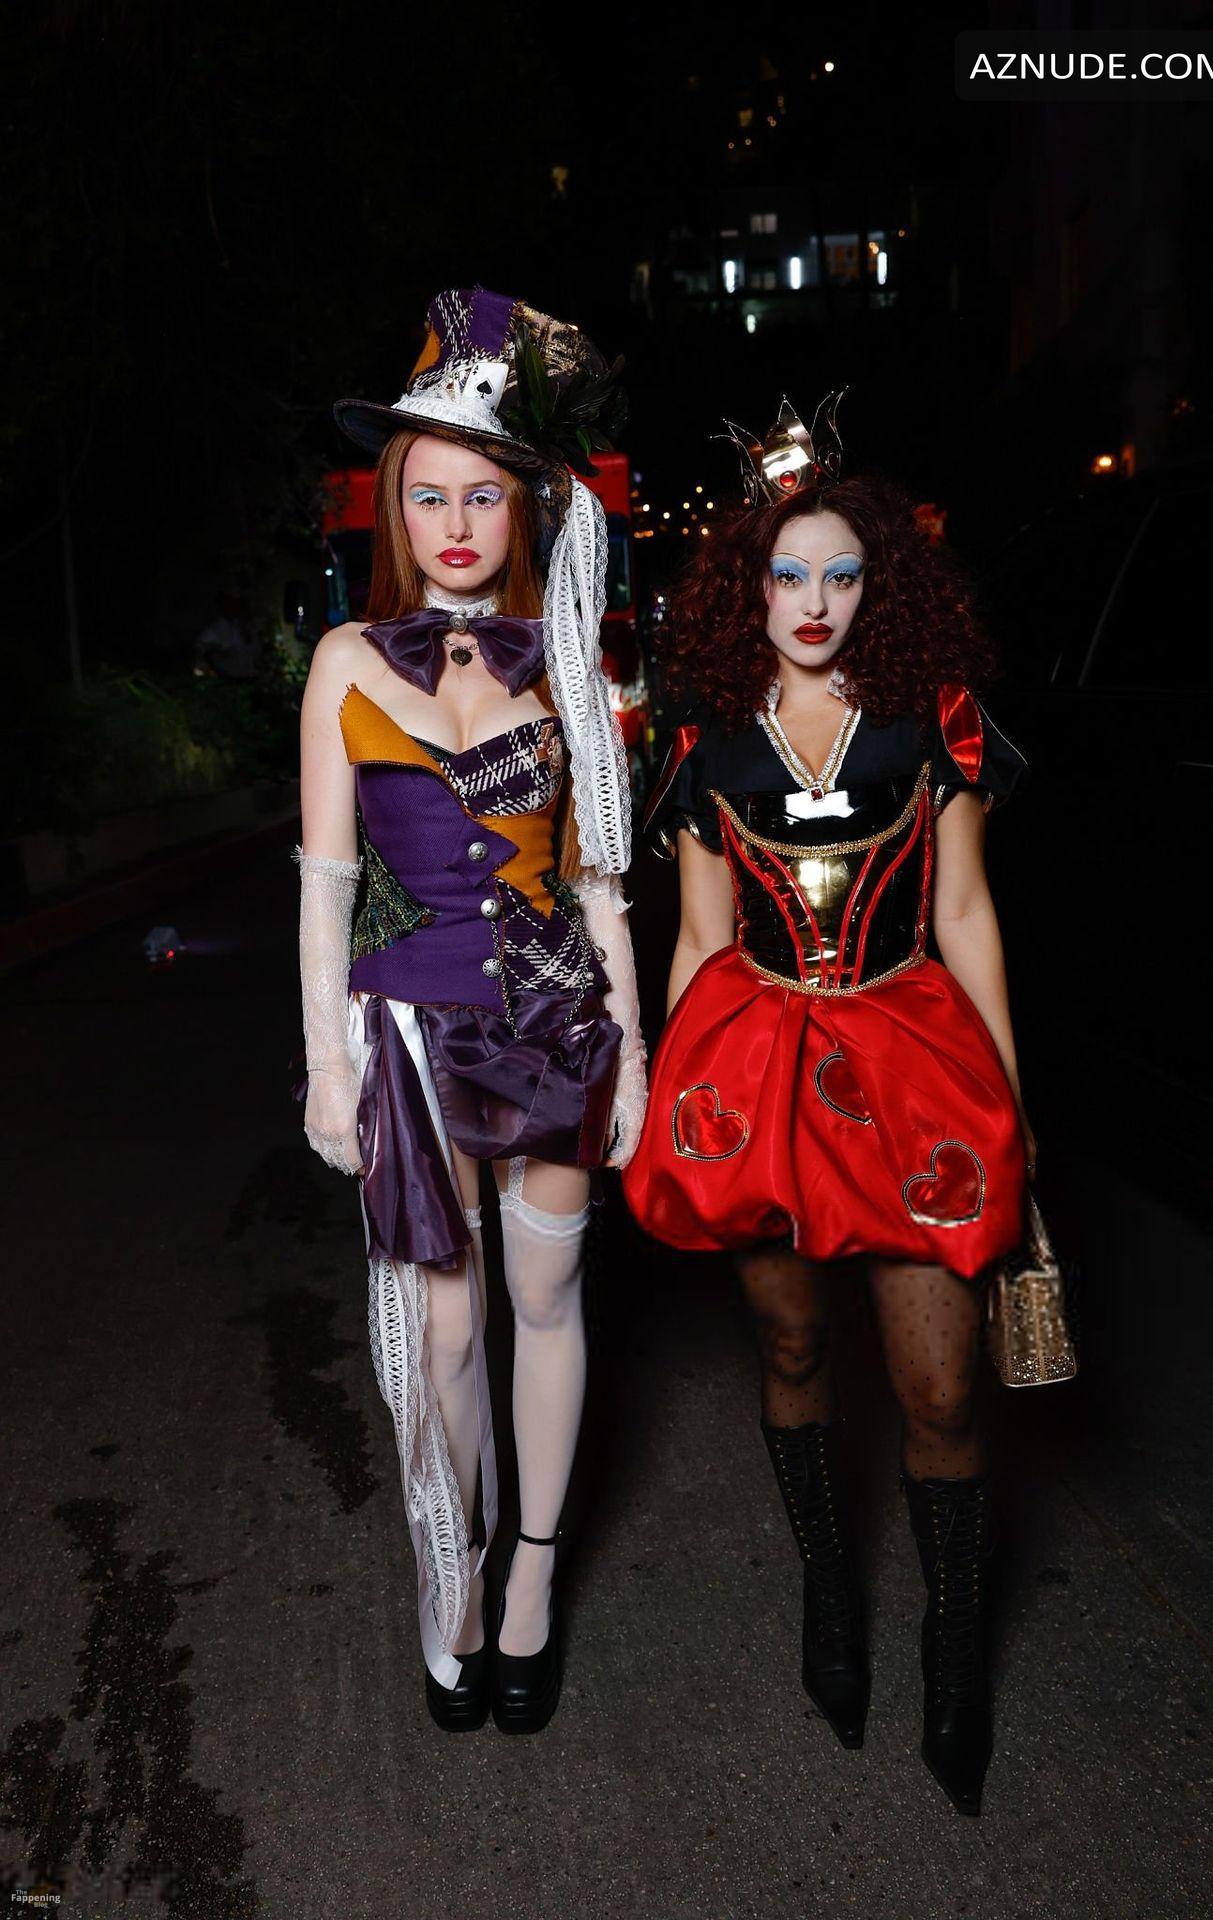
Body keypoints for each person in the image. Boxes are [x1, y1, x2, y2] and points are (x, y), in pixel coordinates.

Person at [622, 397, 1032, 1815]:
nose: (813, 602)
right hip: (756, 1074)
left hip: (914, 1063)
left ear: (879, 581)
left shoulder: (937, 722)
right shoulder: (705, 736)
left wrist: (1011, 1109)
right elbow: (696, 937)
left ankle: (954, 1645)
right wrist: (670, 1100)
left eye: (841, 574)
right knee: (793, 1348)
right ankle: (828, 1590)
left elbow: (964, 912)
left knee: (942, 1388)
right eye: (787, 573)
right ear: (747, 583)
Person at [295, 286, 646, 1735]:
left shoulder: (570, 666)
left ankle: (531, 1581)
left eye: (483, 494)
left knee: (548, 1304)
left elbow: (603, 880)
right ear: (393, 504)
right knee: (442, 1337)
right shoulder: (342, 662)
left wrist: (638, 1054)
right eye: (428, 493)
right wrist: (326, 1068)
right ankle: (453, 1566)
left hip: (555, 1026)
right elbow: (325, 884)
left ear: (525, 508)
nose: (454, 522)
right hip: (409, 1037)